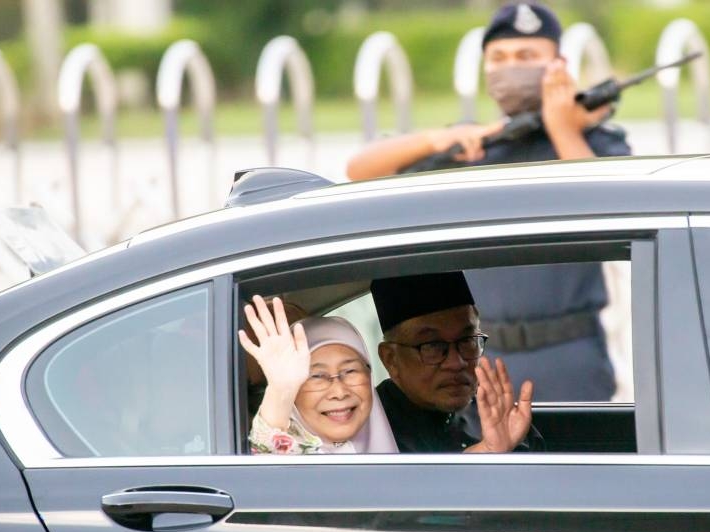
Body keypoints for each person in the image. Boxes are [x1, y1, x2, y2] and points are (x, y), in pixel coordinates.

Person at [347, 3, 629, 401]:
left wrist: (564, 128)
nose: (511, 67)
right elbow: (360, 171)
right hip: (481, 355)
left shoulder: (592, 143)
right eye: (499, 58)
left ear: (559, 65)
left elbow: (616, 209)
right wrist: (434, 140)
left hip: (570, 350)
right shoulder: (475, 146)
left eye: (527, 56)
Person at [371, 272, 539, 453]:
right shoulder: (368, 432)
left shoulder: (495, 416)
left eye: (467, 341)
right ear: (391, 359)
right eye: (433, 346)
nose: (456, 362)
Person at [239, 295, 398, 454]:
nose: (339, 392)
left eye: (350, 371)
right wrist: (280, 389)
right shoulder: (288, 470)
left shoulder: (406, 449)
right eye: (316, 376)